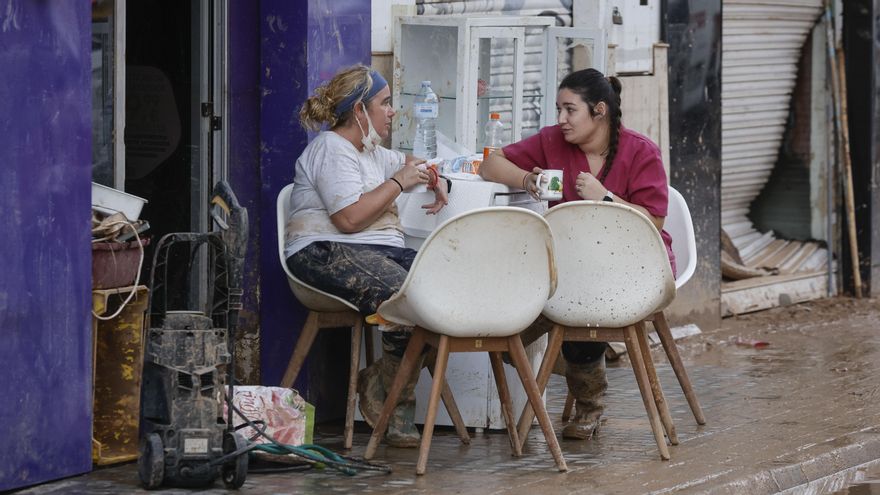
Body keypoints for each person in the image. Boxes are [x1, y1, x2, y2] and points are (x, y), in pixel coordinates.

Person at [479, 67, 675, 440]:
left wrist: (606, 198)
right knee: (505, 324)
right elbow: (491, 163)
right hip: (570, 269)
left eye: (570, 110)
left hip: (633, 268)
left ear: (599, 110)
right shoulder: (553, 141)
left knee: (580, 303)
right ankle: (572, 364)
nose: (561, 120)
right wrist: (528, 180)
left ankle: (589, 404)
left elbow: (654, 223)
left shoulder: (640, 151)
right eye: (558, 109)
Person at [284, 64, 448, 448]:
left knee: (445, 286)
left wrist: (435, 180)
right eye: (385, 103)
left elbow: (411, 166)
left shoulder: (371, 152)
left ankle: (380, 384)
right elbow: (349, 218)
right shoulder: (331, 149)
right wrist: (397, 184)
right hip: (324, 251)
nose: (393, 111)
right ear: (359, 111)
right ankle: (396, 407)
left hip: (375, 249)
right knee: (409, 298)